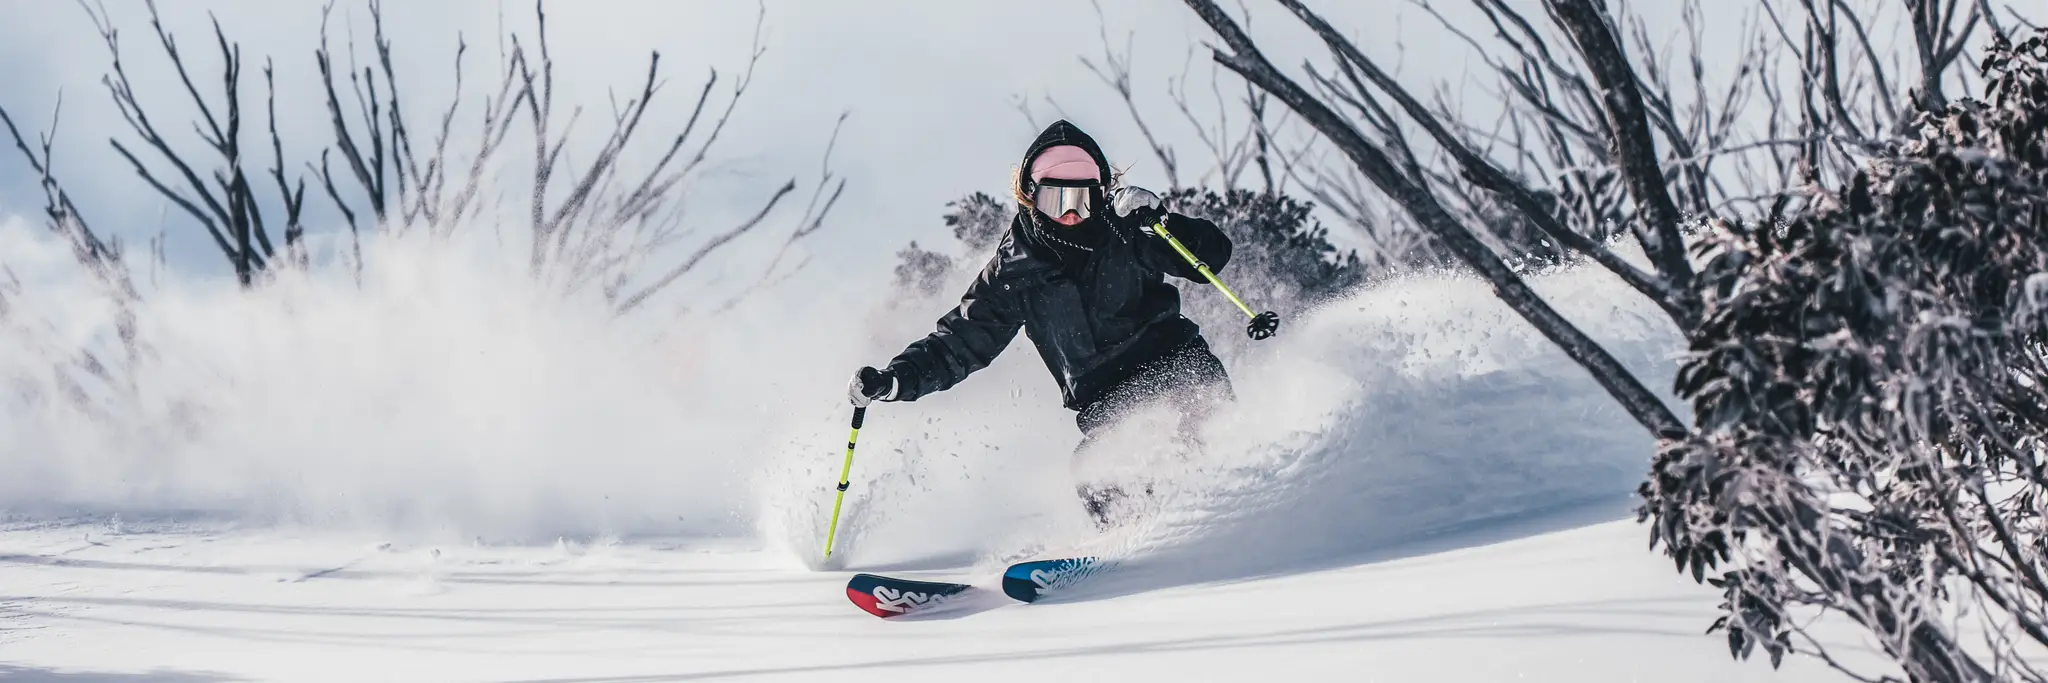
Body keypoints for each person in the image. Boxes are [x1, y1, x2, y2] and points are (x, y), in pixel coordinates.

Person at [848, 120, 1237, 528]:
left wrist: (1163, 223)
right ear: (1031, 197)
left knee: (1191, 442)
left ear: (1101, 195)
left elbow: (1212, 257)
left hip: (1179, 373)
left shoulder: (1126, 229)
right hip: (1108, 407)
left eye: (1083, 201)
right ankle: (1139, 550)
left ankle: (1226, 521)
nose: (1070, 214)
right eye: (1057, 200)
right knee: (1096, 472)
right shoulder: (1015, 270)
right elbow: (959, 342)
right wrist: (895, 379)